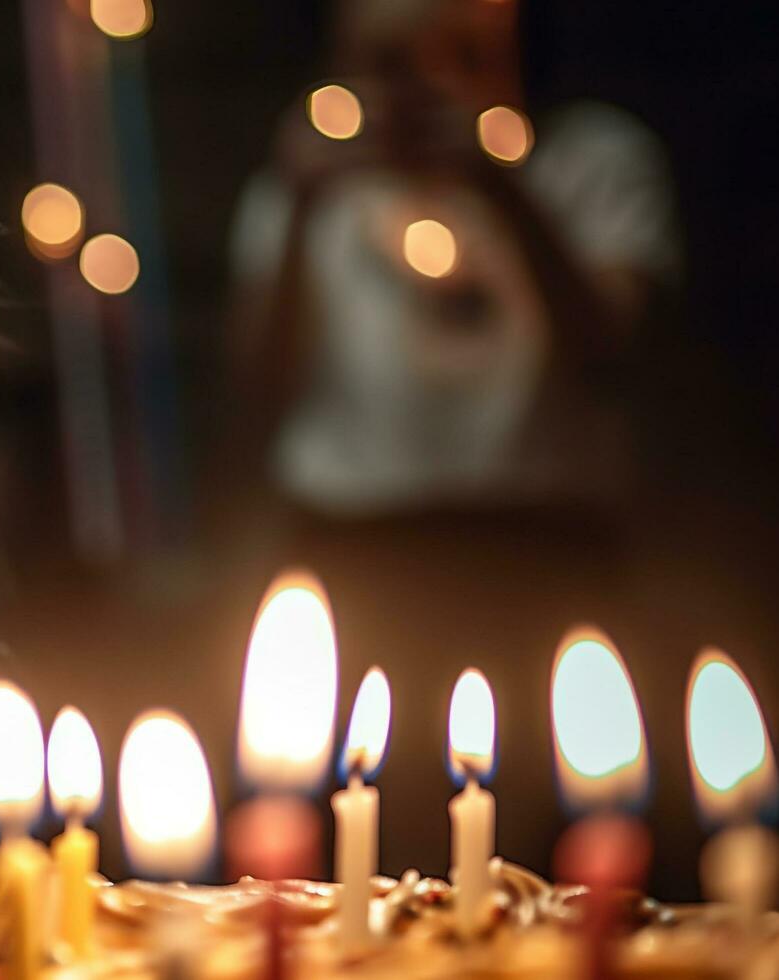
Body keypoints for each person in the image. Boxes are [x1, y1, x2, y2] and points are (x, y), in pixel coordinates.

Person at [226, 0, 681, 881]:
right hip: (356, 548)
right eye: (383, 61)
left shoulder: (591, 161)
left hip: (540, 545)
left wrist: (495, 186)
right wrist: (302, 200)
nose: (409, 87)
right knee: (369, 830)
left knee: (560, 828)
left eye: (444, 55)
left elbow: (613, 351)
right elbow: (256, 383)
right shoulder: (308, 184)